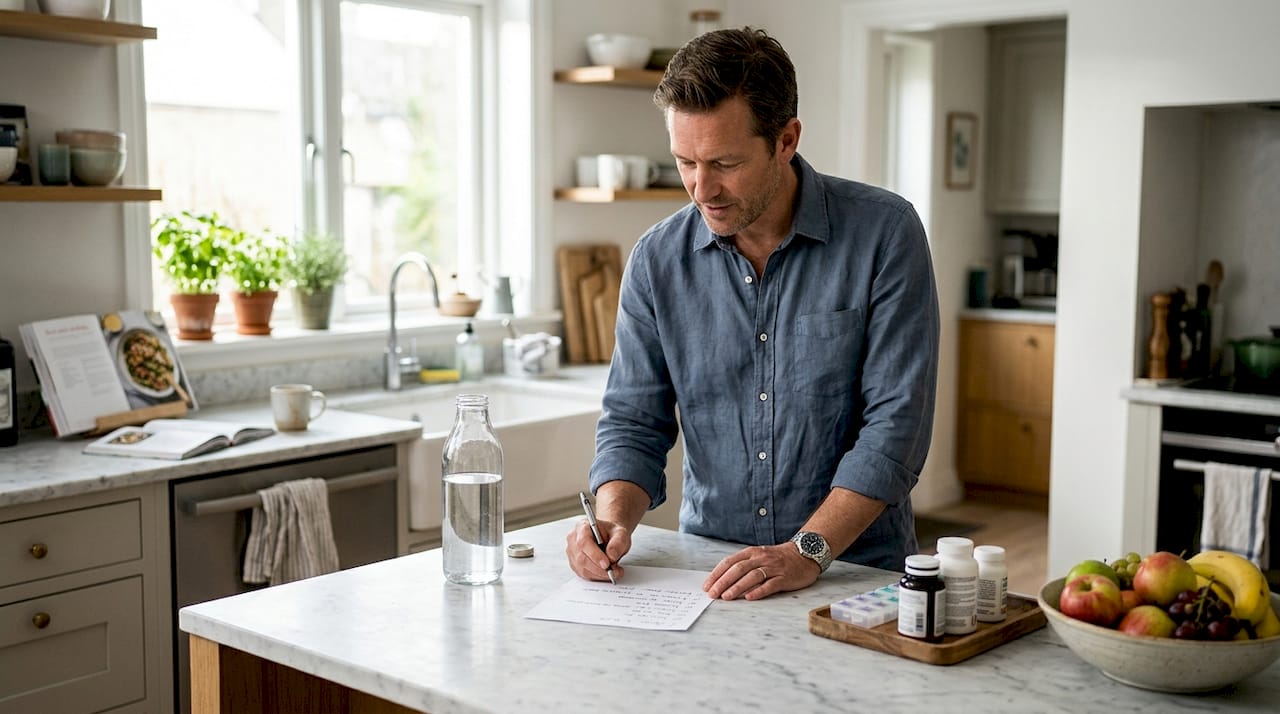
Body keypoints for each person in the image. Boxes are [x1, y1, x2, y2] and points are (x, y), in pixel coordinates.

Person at [565, 27, 939, 601]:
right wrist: (612, 517)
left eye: (724, 162)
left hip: (855, 574)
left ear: (786, 139)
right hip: (712, 573)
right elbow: (635, 422)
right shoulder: (656, 261)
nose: (701, 188)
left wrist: (805, 552)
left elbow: (896, 431)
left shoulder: (885, 234)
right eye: (685, 162)